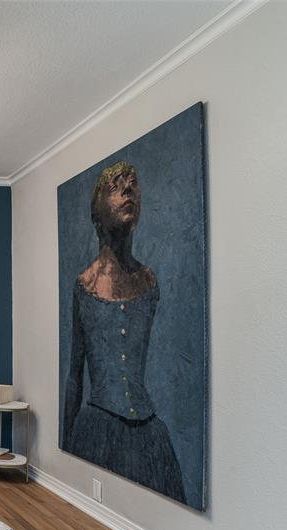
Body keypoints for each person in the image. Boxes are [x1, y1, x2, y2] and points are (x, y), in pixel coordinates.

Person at [62, 161, 187, 504]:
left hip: (148, 435)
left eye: (132, 184)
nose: (128, 190)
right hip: (97, 427)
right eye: (115, 187)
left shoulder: (149, 282)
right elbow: (75, 375)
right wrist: (66, 450)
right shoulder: (84, 286)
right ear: (97, 211)